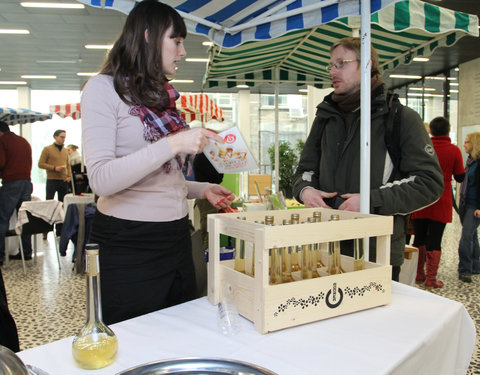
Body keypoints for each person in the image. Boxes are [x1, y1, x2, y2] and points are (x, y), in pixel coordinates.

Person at [81, 0, 234, 325]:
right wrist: (173, 143)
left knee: (175, 339)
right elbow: (101, 179)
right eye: (176, 42)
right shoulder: (102, 89)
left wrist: (202, 188)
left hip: (176, 239)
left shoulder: (160, 98)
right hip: (129, 245)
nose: (182, 53)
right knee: (135, 348)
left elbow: (163, 178)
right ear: (149, 37)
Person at [292, 37, 443, 281]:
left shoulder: (400, 118)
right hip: (326, 248)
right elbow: (303, 172)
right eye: (331, 65)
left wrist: (370, 201)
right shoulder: (325, 118)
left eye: (341, 63)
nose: (332, 71)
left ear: (366, 65)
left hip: (376, 253)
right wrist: (305, 191)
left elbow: (429, 184)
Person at [411, 117, 465, 288]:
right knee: (435, 239)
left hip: (421, 197)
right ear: (448, 130)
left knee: (418, 237)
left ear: (431, 131)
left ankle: (418, 274)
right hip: (442, 198)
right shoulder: (454, 150)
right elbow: (460, 176)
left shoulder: (423, 148)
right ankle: (431, 279)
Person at [0, 121, 33, 265]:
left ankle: (0, 256)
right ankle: (26, 253)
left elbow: (0, 162)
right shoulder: (23, 141)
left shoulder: (2, 141)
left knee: (2, 219)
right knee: (24, 218)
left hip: (11, 183)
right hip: (26, 182)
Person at [38, 129, 71, 237]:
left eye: (64, 137)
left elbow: (68, 164)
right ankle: (46, 230)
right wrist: (54, 168)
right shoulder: (47, 149)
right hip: (52, 180)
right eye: (61, 137)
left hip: (63, 180)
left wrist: (69, 176)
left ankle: (60, 231)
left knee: (62, 205)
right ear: (55, 137)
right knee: (49, 204)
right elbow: (41, 164)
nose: (63, 139)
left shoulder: (66, 151)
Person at [457, 132, 480, 283]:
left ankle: (465, 270)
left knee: (466, 237)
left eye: (466, 142)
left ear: (474, 144)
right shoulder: (470, 161)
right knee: (472, 235)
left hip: (474, 205)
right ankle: (476, 266)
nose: (464, 144)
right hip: (466, 203)